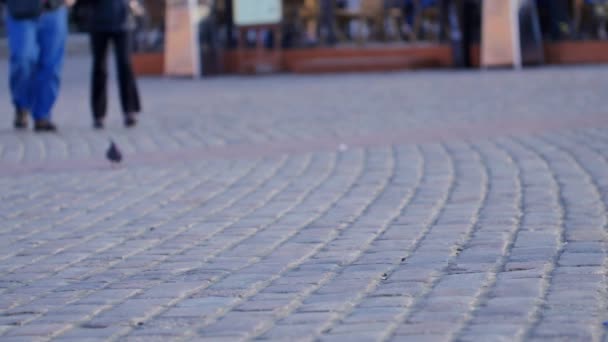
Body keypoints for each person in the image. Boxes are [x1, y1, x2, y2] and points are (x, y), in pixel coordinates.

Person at [3, 0, 70, 132]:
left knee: (51, 67)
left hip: (54, 9)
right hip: (21, 10)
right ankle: (21, 105)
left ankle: (42, 115)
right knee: (22, 59)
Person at [75, 0, 141, 129]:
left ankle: (130, 110)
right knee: (99, 67)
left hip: (123, 18)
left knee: (125, 65)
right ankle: (98, 114)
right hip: (98, 19)